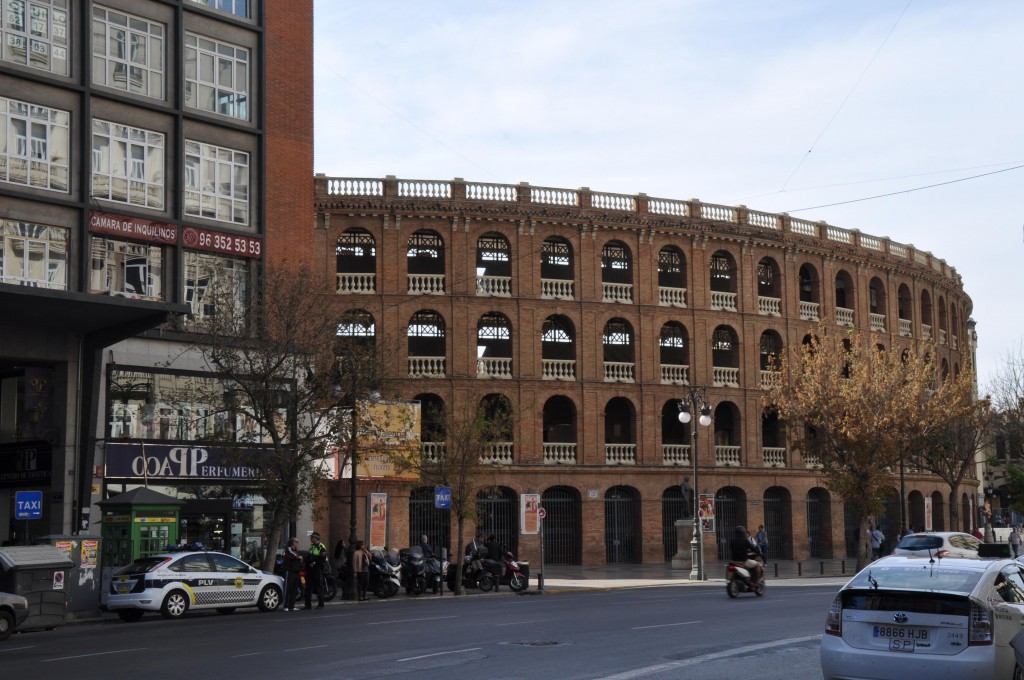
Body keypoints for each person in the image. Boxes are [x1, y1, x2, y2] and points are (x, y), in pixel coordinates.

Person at [304, 532, 328, 610]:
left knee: (319, 586)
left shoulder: (321, 546)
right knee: (308, 587)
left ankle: (321, 604)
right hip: (310, 570)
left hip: (318, 569)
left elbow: (323, 559)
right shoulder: (311, 547)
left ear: (316, 538)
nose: (311, 539)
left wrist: (315, 563)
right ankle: (307, 605)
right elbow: (309, 558)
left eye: (312, 538)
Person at [282, 537, 304, 611]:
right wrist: (298, 557)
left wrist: (300, 560)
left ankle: (292, 605)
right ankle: (286, 606)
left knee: (294, 589)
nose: (297, 543)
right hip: (290, 571)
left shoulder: (296, 551)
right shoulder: (289, 549)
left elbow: (299, 558)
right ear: (293, 542)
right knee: (288, 588)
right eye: (296, 542)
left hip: (296, 572)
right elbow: (291, 555)